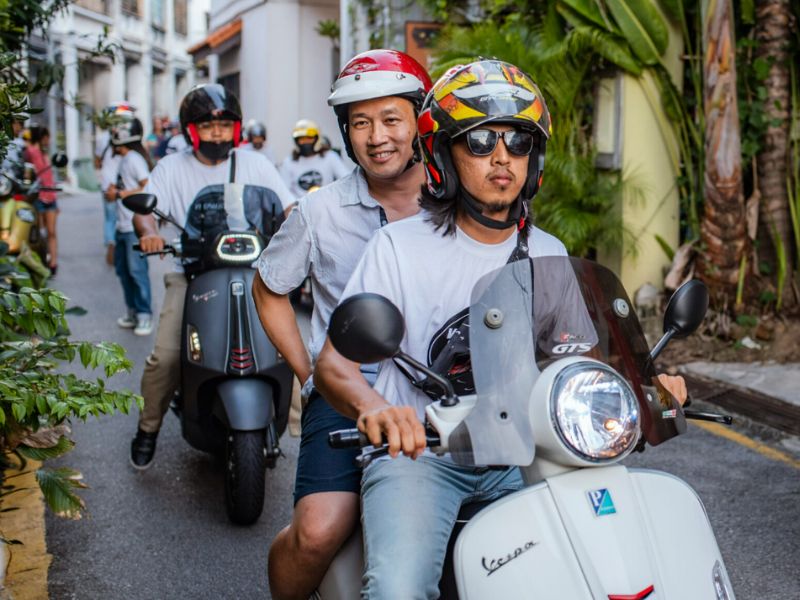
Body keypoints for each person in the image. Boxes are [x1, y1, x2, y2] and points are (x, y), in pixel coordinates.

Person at [314, 59, 688, 598]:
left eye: (518, 143)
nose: (501, 158)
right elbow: (334, 363)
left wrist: (647, 389)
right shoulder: (399, 247)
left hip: (525, 452)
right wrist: (377, 409)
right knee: (398, 588)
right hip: (425, 456)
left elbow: (578, 365)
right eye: (480, 140)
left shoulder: (547, 252)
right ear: (443, 154)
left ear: (532, 160)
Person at [252, 49, 432, 600]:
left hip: (446, 388)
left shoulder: (457, 202)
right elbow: (268, 288)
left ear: (421, 124)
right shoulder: (319, 211)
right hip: (352, 389)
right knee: (318, 531)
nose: (376, 137)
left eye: (391, 119)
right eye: (360, 123)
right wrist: (312, 373)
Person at [129, 83, 295, 470]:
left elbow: (288, 207)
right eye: (207, 126)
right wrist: (150, 233)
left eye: (223, 125)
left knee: (291, 347)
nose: (216, 133)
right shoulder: (171, 167)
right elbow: (144, 210)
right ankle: (148, 428)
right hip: (189, 275)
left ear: (235, 128)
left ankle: (306, 431)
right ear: (191, 130)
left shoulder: (256, 163)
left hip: (254, 272)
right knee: (167, 356)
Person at [105, 117, 153, 336]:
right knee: (124, 271)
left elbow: (147, 185)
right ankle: (132, 312)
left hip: (134, 226)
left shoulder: (134, 159)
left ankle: (144, 315)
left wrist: (122, 193)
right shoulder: (125, 160)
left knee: (137, 272)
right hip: (121, 225)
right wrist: (113, 191)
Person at [95, 103, 136, 265]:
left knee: (110, 218)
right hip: (121, 183)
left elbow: (97, 161)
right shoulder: (125, 136)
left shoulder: (101, 138)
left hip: (107, 182)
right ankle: (119, 246)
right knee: (122, 217)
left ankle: (112, 244)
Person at [278, 118, 349, 199]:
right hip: (299, 208)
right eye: (302, 139)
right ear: (296, 141)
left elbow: (346, 180)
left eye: (309, 138)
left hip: (327, 205)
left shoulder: (330, 157)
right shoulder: (288, 162)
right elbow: (283, 191)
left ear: (317, 138)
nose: (305, 142)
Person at [23, 125, 59, 274]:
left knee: (51, 232)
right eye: (46, 138)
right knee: (37, 233)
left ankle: (53, 263)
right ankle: (39, 261)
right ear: (41, 137)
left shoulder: (45, 154)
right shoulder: (31, 152)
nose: (48, 141)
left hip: (50, 196)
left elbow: (49, 177)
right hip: (38, 196)